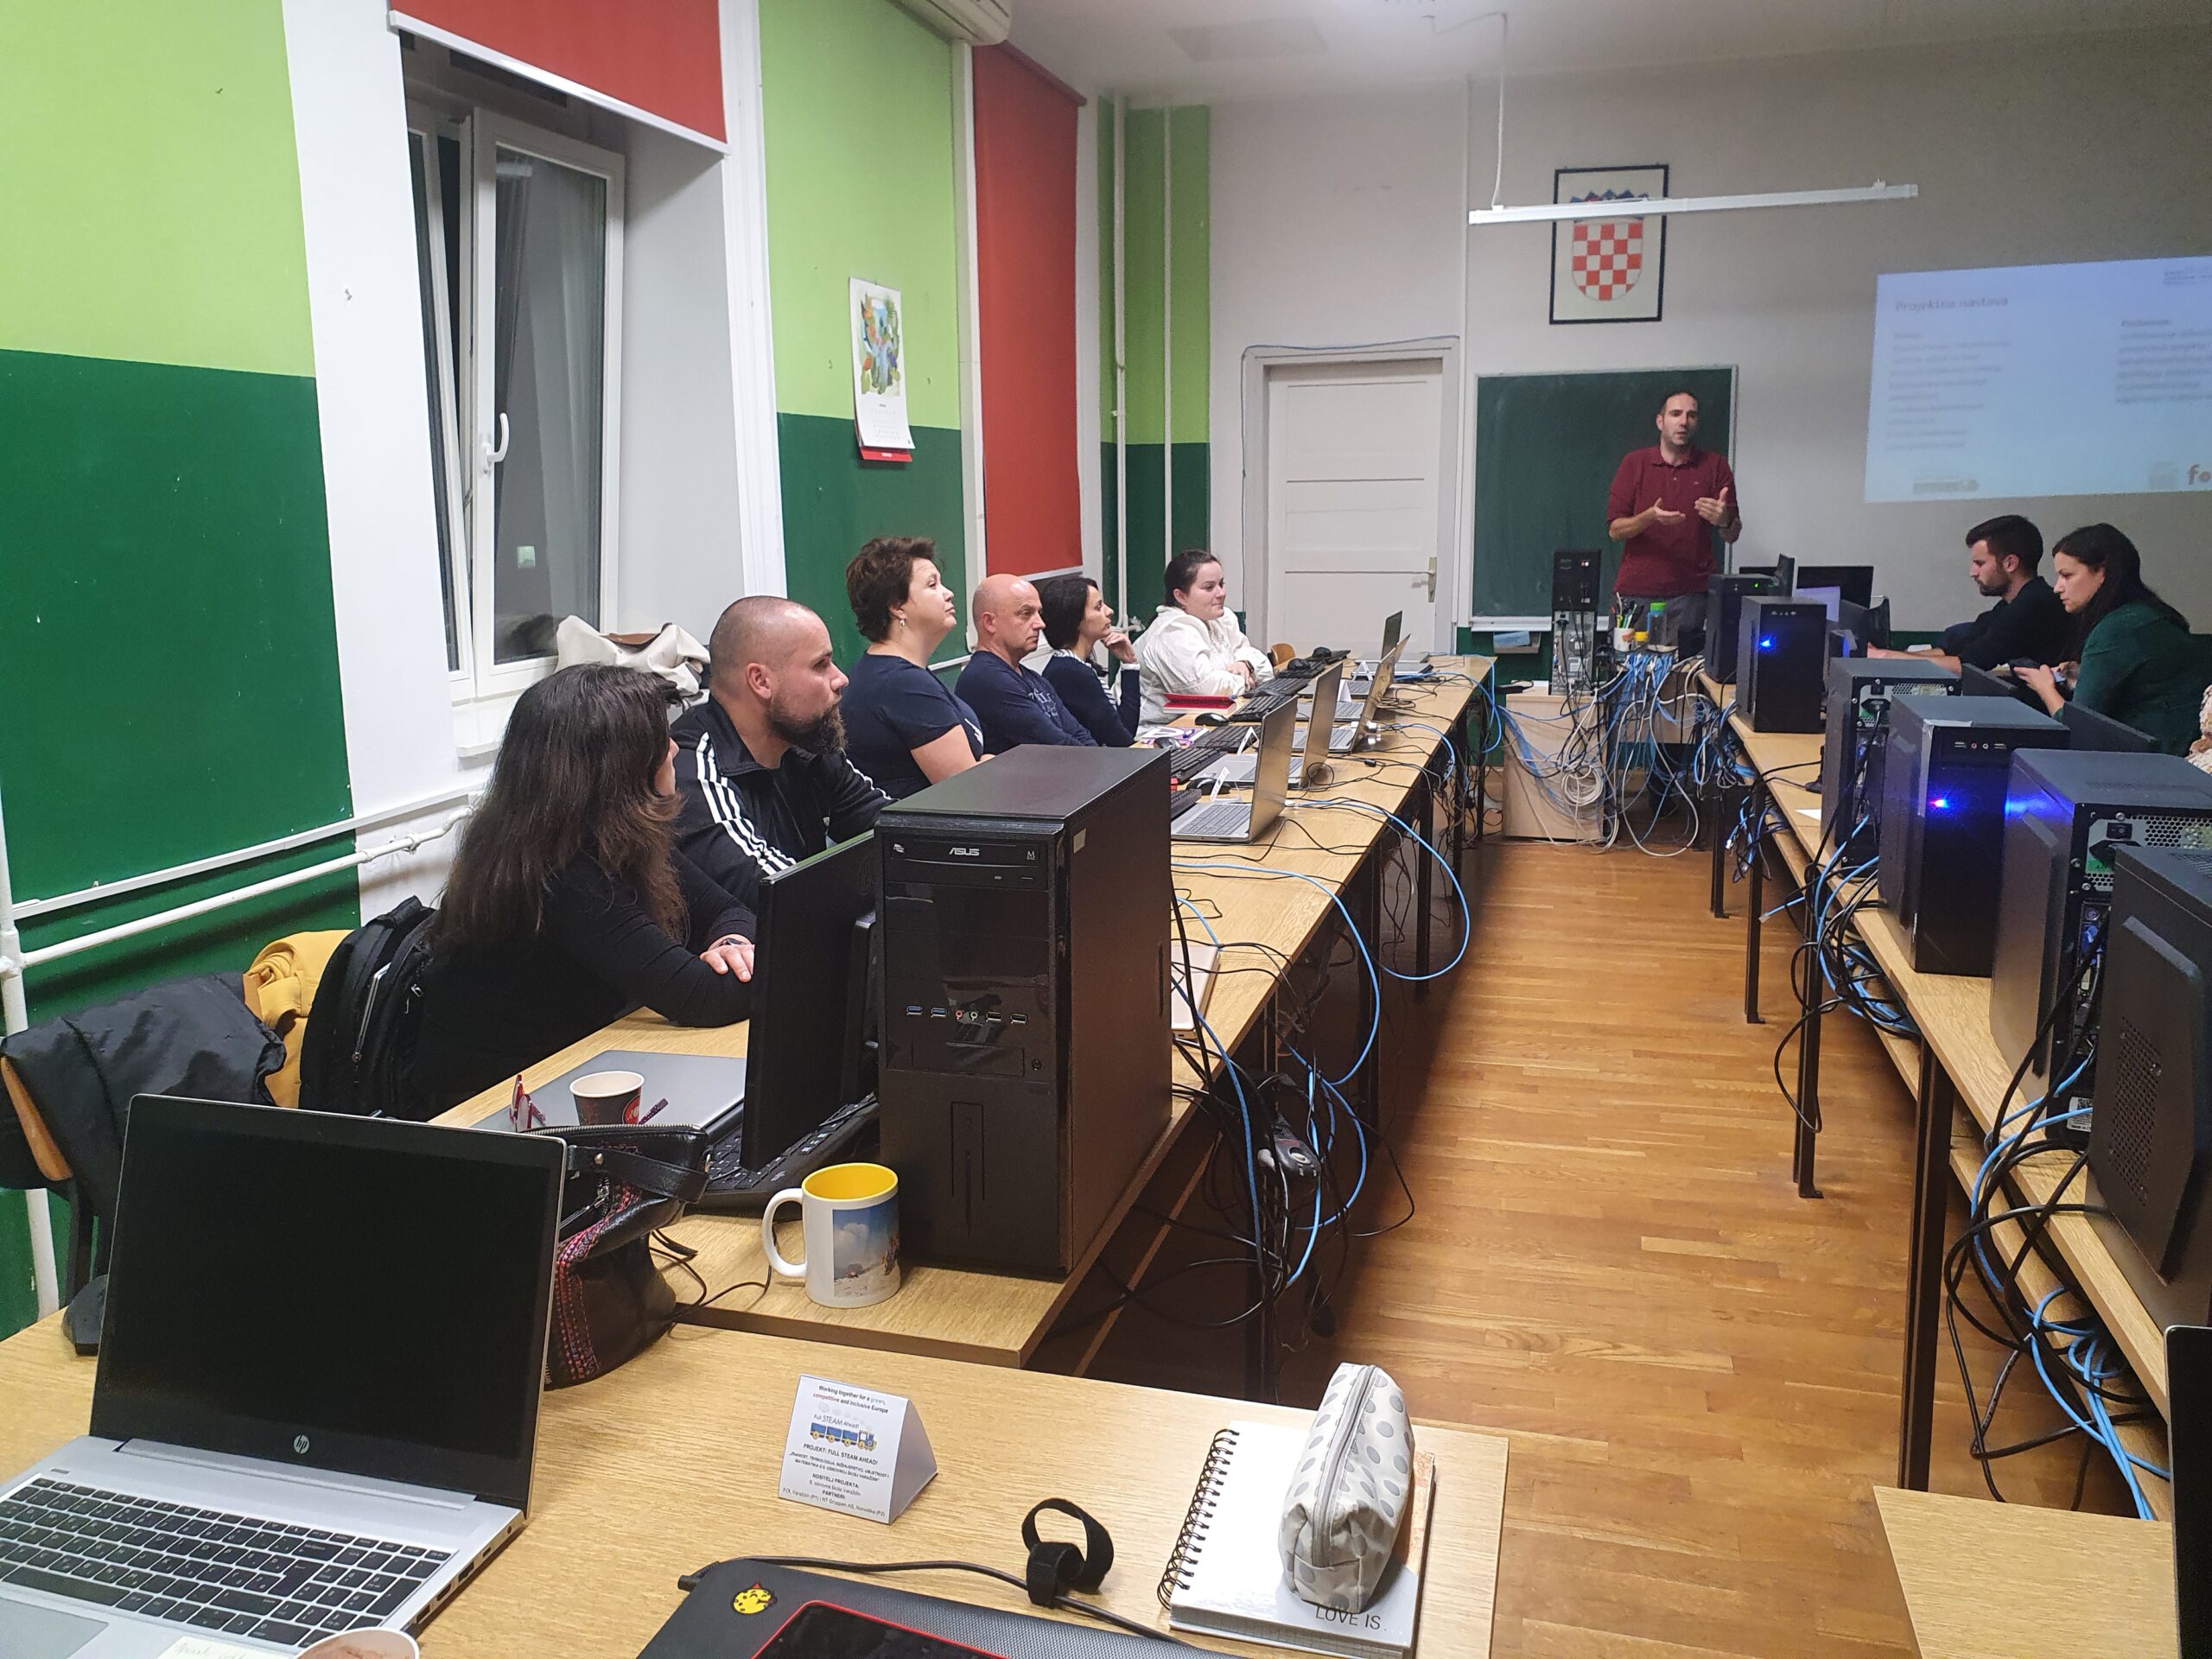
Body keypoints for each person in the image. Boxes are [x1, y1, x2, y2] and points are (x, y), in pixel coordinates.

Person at [410, 665, 753, 1116]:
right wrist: (755, 963)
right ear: (620, 765)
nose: (673, 748)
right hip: (493, 1111)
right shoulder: (560, 872)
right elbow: (703, 998)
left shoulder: (608, 834)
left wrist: (731, 945)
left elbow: (729, 909)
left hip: (569, 1073)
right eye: (659, 738)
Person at [671, 595, 887, 923]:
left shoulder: (806, 746)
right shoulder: (695, 769)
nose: (841, 678)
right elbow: (784, 893)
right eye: (820, 665)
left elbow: (894, 827)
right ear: (761, 681)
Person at [2017, 524, 2212, 756]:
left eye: (2067, 576)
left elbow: (2080, 731)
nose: (2057, 588)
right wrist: (2080, 674)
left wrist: (2045, 688)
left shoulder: (2114, 630)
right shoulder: (2150, 614)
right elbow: (2146, 685)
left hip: (2156, 759)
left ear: (2101, 572)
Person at [838, 536, 987, 798]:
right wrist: (990, 764)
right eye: (932, 585)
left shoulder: (894, 672)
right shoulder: (904, 686)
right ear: (897, 607)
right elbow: (965, 789)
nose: (948, 593)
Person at [1868, 514, 2069, 671]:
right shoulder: (2009, 606)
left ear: (2010, 563)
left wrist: (1883, 657)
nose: (1972, 572)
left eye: (1980, 563)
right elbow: (1952, 651)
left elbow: (1966, 666)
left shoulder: (2033, 605)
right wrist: (1885, 654)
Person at [1605, 390, 1740, 601]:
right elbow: (1615, 531)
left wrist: (1724, 521)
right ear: (1660, 422)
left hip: (1694, 592)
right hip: (1637, 591)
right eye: (1676, 414)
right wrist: (1649, 517)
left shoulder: (1715, 465)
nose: (1684, 422)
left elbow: (1732, 535)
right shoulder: (1634, 463)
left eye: (1691, 415)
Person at [955, 575, 1096, 753]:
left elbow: (1079, 733)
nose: (1040, 624)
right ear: (990, 622)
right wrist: (1095, 759)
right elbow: (1054, 744)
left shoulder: (1032, 678)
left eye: (1039, 613)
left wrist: (1095, 756)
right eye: (1026, 614)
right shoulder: (985, 679)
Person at [1134, 550, 1274, 725]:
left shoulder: (1220, 618)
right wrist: (1247, 679)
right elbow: (1207, 692)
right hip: (1156, 734)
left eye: (1221, 584)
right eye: (1209, 587)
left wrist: (1245, 664)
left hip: (1206, 725)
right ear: (1181, 596)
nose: (1221, 593)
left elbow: (1261, 664)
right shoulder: (1172, 632)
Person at [1034, 575, 1139, 747]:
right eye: (1098, 607)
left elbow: (1125, 729)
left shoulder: (1072, 666)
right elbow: (1122, 741)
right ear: (1076, 620)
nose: (1109, 611)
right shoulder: (1071, 673)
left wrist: (1129, 663)